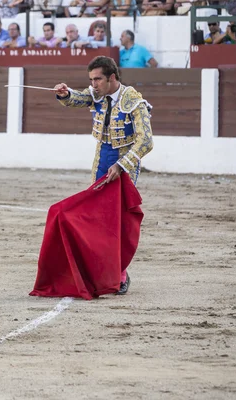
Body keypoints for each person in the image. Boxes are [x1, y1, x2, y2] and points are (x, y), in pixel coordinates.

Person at [53, 55, 154, 295]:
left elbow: (146, 142)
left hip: (125, 161)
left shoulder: (134, 102)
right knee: (97, 216)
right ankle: (100, 269)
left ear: (112, 78)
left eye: (97, 79)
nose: (93, 84)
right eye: (91, 79)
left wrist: (122, 165)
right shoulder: (97, 93)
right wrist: (65, 94)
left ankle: (120, 272)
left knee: (117, 219)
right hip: (101, 158)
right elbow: (78, 98)